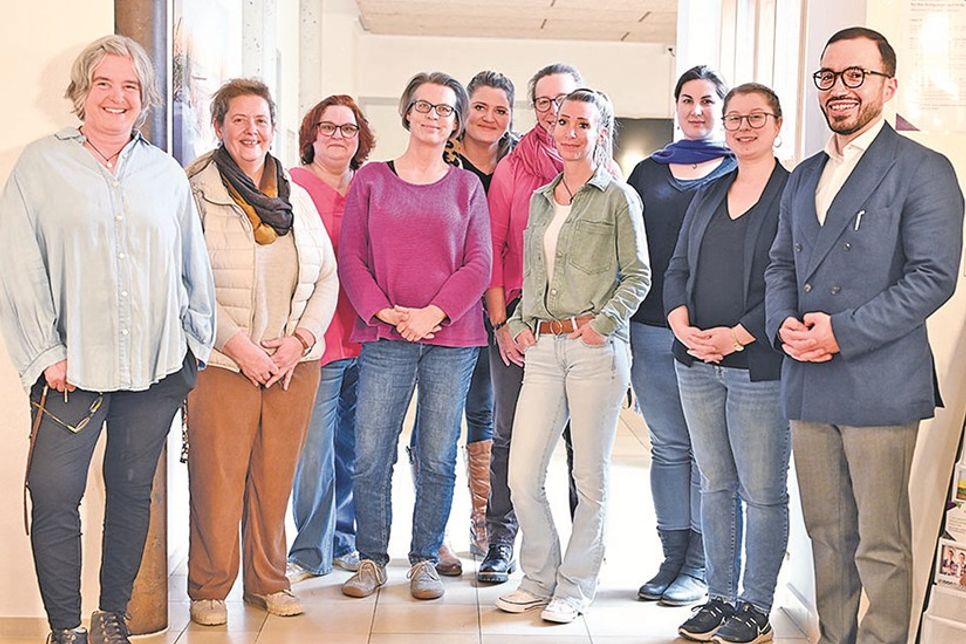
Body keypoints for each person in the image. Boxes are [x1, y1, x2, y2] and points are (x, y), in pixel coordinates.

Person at [0, 35, 215, 644]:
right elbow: (19, 265)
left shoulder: (165, 172)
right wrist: (46, 354)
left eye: (129, 86)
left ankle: (110, 617)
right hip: (70, 370)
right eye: (103, 83)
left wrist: (191, 352)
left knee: (128, 493)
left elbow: (191, 267)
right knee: (54, 494)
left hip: (154, 370)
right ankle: (64, 627)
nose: (116, 97)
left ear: (143, 99)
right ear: (82, 92)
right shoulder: (41, 165)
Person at [765, 27, 964, 644]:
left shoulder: (924, 168)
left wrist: (841, 334)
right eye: (828, 76)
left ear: (888, 84)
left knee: (881, 542)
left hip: (878, 380)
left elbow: (933, 278)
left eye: (856, 75)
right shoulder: (803, 176)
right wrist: (782, 327)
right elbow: (780, 266)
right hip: (807, 378)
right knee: (826, 535)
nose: (839, 88)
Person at [185, 78, 338, 626]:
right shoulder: (196, 188)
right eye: (239, 120)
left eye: (261, 120)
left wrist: (298, 341)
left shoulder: (294, 191)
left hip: (292, 363)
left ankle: (267, 582)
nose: (252, 130)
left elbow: (328, 275)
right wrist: (239, 346)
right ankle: (207, 588)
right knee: (218, 478)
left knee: (275, 479)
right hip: (225, 362)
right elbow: (187, 284)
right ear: (219, 126)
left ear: (274, 126)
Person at [494, 88, 650, 624]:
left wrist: (601, 325)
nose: (570, 132)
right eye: (562, 122)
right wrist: (517, 322)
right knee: (522, 474)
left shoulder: (617, 198)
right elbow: (534, 274)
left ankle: (576, 583)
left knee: (590, 477)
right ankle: (538, 576)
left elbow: (639, 276)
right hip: (542, 347)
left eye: (583, 124)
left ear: (600, 133)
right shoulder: (540, 198)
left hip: (595, 351)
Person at [338, 72, 492, 601]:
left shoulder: (467, 186)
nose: (433, 116)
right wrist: (387, 312)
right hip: (385, 335)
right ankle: (371, 559)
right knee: (371, 449)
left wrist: (433, 313)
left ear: (456, 122)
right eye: (424, 106)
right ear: (406, 112)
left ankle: (425, 556)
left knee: (436, 452)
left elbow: (479, 264)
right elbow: (351, 258)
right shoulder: (371, 180)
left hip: (452, 337)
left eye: (445, 109)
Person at [665, 83, 789, 644]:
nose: (742, 127)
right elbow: (676, 268)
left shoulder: (794, 193)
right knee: (714, 483)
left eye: (755, 117)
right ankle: (719, 596)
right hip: (695, 361)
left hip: (758, 366)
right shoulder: (711, 192)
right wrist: (682, 324)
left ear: (778, 124)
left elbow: (792, 281)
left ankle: (755, 606)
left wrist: (737, 335)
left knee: (761, 491)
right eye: (734, 118)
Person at [627, 65, 736, 606]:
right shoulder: (648, 173)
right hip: (650, 329)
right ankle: (672, 555)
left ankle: (703, 563)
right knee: (669, 446)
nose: (697, 109)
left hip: (710, 334)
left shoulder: (741, 169)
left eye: (708, 100)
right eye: (688, 99)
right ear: (676, 106)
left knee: (709, 451)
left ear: (722, 107)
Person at [409, 70, 517, 577]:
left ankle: (484, 521)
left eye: (500, 110)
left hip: (501, 312)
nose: (489, 118)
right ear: (462, 111)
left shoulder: (521, 164)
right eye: (480, 107)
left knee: (488, 418)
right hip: (443, 311)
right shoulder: (436, 160)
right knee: (436, 425)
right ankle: (435, 537)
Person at [481, 62, 583, 584]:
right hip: (521, 321)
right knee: (509, 434)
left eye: (562, 100)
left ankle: (577, 554)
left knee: (577, 443)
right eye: (542, 102)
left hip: (581, 326)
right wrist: (500, 324)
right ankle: (500, 540)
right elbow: (494, 249)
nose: (552, 112)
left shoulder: (600, 171)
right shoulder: (511, 170)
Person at [286, 94, 375, 585]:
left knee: (357, 449)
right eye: (328, 127)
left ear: (359, 138)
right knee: (313, 452)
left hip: (370, 338)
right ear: (311, 136)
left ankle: (346, 540)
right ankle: (309, 551)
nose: (338, 136)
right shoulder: (292, 186)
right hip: (317, 339)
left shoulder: (371, 185)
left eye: (348, 128)